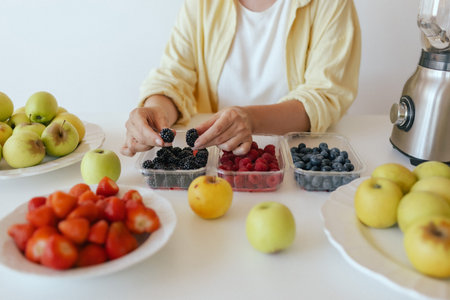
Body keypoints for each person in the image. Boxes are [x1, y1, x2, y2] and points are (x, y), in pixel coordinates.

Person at [121, 0, 361, 157]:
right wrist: (155, 112)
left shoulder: (331, 4)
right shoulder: (201, 4)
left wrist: (250, 119)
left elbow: (325, 96)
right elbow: (174, 77)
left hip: (295, 158)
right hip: (214, 160)